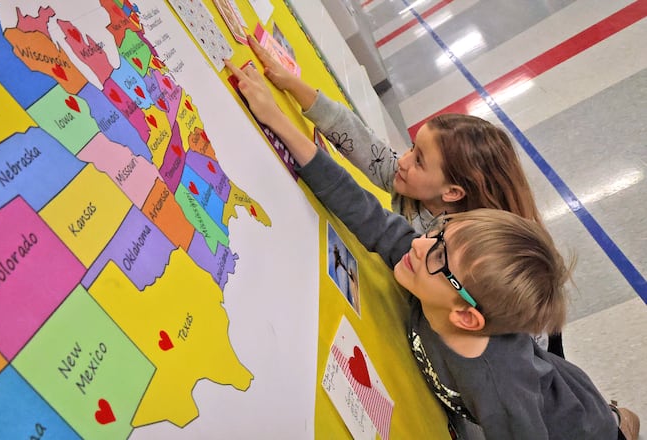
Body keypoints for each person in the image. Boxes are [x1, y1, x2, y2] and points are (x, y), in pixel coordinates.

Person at [224, 49, 640, 440]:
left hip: (575, 427)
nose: (420, 245)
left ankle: (618, 422)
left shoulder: (499, 386)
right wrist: (278, 120)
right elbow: (366, 213)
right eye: (438, 234)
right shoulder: (443, 271)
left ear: (466, 317)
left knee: (609, 426)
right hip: (544, 381)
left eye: (437, 253)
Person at [229, 36, 568, 357]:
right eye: (411, 148)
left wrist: (276, 118)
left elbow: (371, 217)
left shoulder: (452, 250)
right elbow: (363, 143)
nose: (403, 162)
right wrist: (291, 84)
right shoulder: (423, 188)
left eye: (419, 161)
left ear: (452, 193)